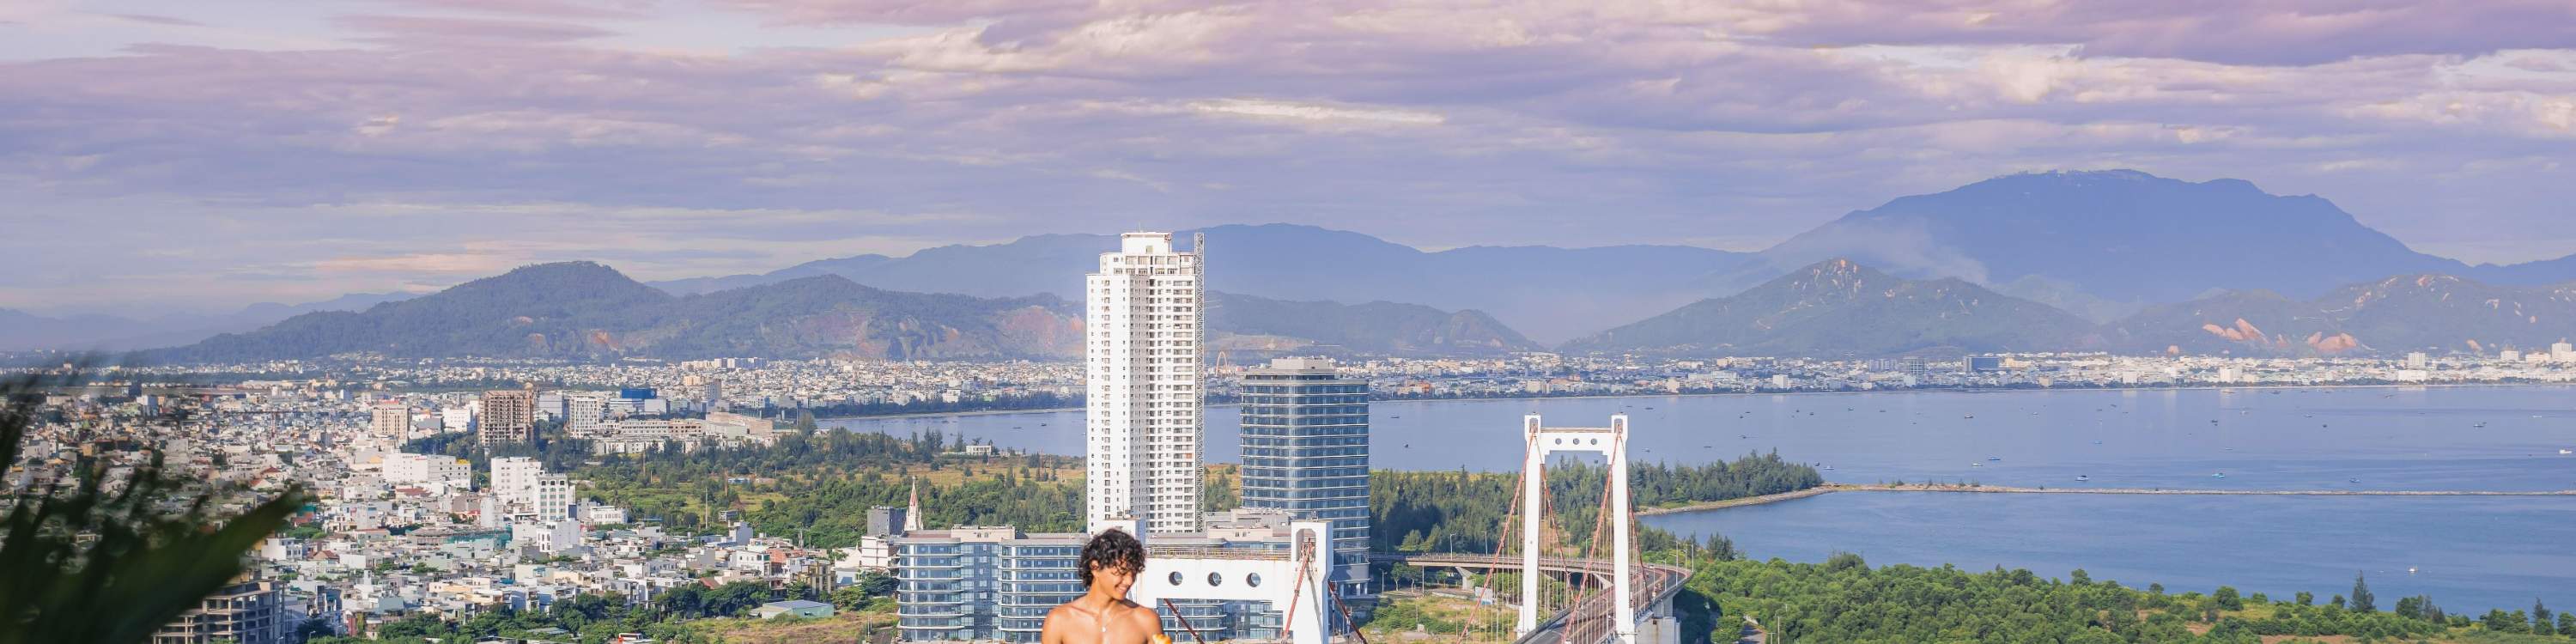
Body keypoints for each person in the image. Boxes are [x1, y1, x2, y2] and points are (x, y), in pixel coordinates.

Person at [1042, 528, 1170, 644]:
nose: (1129, 581)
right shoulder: (1059, 620)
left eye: (1134, 573)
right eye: (1122, 572)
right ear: (1095, 567)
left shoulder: (1146, 621)